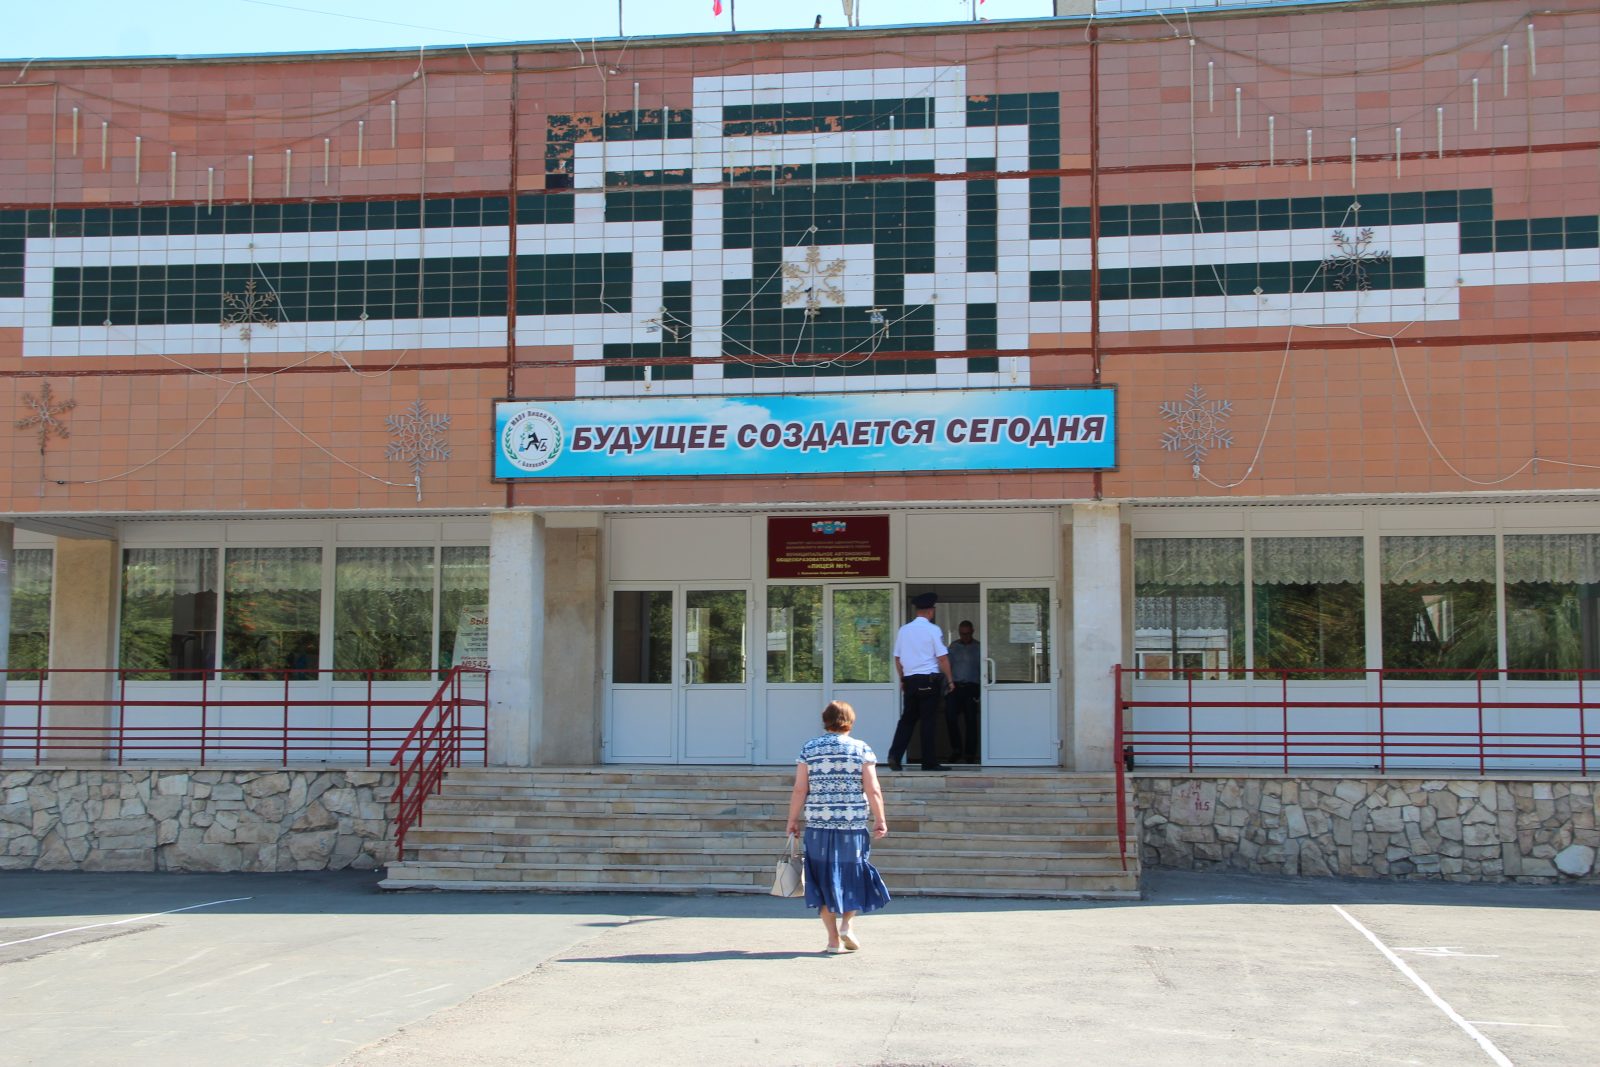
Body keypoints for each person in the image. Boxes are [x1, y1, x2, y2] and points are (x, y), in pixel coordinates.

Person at [785, 700, 890, 954]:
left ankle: (833, 940)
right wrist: (880, 818)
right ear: (850, 721)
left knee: (821, 878)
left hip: (818, 824)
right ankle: (847, 925)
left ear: (825, 720)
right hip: (852, 824)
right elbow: (873, 788)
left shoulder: (809, 748)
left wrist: (792, 819)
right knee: (853, 873)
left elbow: (800, 789)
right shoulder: (861, 749)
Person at [888, 590, 955, 771]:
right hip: (928, 680)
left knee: (907, 720)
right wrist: (950, 680)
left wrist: (903, 679)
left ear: (918, 610)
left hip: (910, 680)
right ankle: (929, 762)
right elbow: (942, 658)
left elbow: (897, 658)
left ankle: (895, 755)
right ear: (931, 611)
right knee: (928, 721)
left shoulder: (904, 630)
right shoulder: (933, 630)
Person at [948, 620, 982, 763]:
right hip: (955, 687)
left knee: (971, 720)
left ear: (972, 632)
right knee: (950, 718)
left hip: (971, 686)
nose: (965, 637)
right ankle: (956, 749)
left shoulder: (979, 647)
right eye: (962, 634)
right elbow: (947, 666)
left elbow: (983, 668)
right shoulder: (953, 647)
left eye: (967, 634)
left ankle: (970, 753)